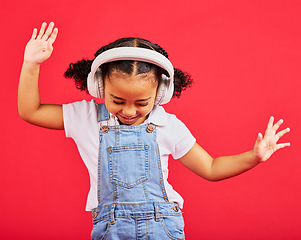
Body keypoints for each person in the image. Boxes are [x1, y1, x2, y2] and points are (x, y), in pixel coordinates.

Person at [18, 22, 290, 240]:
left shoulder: (167, 125)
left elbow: (211, 167)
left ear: (160, 93)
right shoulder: (86, 117)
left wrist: (253, 157)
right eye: (117, 100)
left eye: (141, 103)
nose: (128, 110)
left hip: (163, 228)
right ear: (100, 87)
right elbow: (31, 111)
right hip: (109, 230)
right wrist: (31, 65)